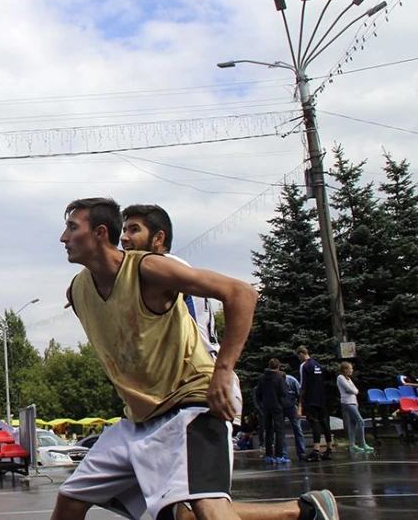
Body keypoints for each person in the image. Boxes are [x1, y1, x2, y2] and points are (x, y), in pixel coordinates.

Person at [54, 197, 338, 520]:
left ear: (100, 233)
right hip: (140, 418)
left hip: (192, 403)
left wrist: (223, 371)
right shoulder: (79, 290)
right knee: (72, 500)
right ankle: (302, 512)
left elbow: (242, 293)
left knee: (207, 509)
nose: (63, 237)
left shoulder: (152, 268)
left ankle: (301, 512)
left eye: (72, 228)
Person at [119, 204, 243, 425]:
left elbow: (241, 294)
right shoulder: (155, 272)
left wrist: (224, 369)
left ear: (158, 238)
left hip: (202, 383)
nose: (124, 237)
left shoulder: (165, 266)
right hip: (186, 384)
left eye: (134, 229)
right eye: (124, 230)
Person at [297, 346, 334, 461]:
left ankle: (316, 451)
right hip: (321, 398)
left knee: (314, 423)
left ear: (301, 354)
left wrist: (300, 402)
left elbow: (303, 385)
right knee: (324, 423)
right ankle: (329, 449)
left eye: (299, 356)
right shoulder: (318, 365)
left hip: (311, 398)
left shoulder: (304, 366)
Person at [255, 359, 289, 464]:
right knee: (279, 431)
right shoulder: (278, 378)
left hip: (266, 407)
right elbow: (283, 393)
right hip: (277, 407)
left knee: (268, 431)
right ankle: (279, 455)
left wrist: (262, 403)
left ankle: (268, 455)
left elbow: (258, 392)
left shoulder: (262, 378)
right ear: (278, 366)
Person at [337, 362, 372, 453]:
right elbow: (350, 389)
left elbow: (355, 390)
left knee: (352, 424)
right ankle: (362, 443)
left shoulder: (348, 379)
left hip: (353, 402)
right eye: (350, 368)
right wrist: (354, 391)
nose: (352, 370)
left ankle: (352, 445)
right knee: (360, 421)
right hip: (347, 403)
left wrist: (354, 391)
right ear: (345, 369)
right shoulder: (340, 378)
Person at [281, 371, 306, 461]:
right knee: (281, 430)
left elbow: (300, 395)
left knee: (297, 428)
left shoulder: (292, 381)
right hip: (281, 407)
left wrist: (300, 408)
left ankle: (301, 452)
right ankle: (284, 454)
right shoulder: (276, 382)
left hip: (292, 406)